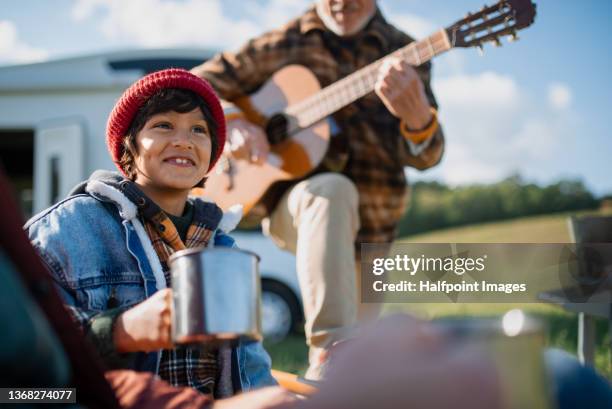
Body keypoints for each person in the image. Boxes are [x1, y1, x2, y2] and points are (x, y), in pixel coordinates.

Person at [191, 0, 444, 378]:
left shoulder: (407, 53)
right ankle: (326, 360)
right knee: (330, 189)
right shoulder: (283, 43)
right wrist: (234, 120)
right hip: (297, 212)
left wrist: (419, 120)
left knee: (365, 372)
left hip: (374, 234)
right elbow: (197, 84)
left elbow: (428, 157)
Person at [24, 68, 276, 397]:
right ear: (130, 144)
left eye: (198, 130)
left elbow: (250, 367)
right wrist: (119, 331)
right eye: (163, 125)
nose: (183, 141)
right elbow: (24, 354)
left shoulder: (222, 246)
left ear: (213, 153)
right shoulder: (69, 227)